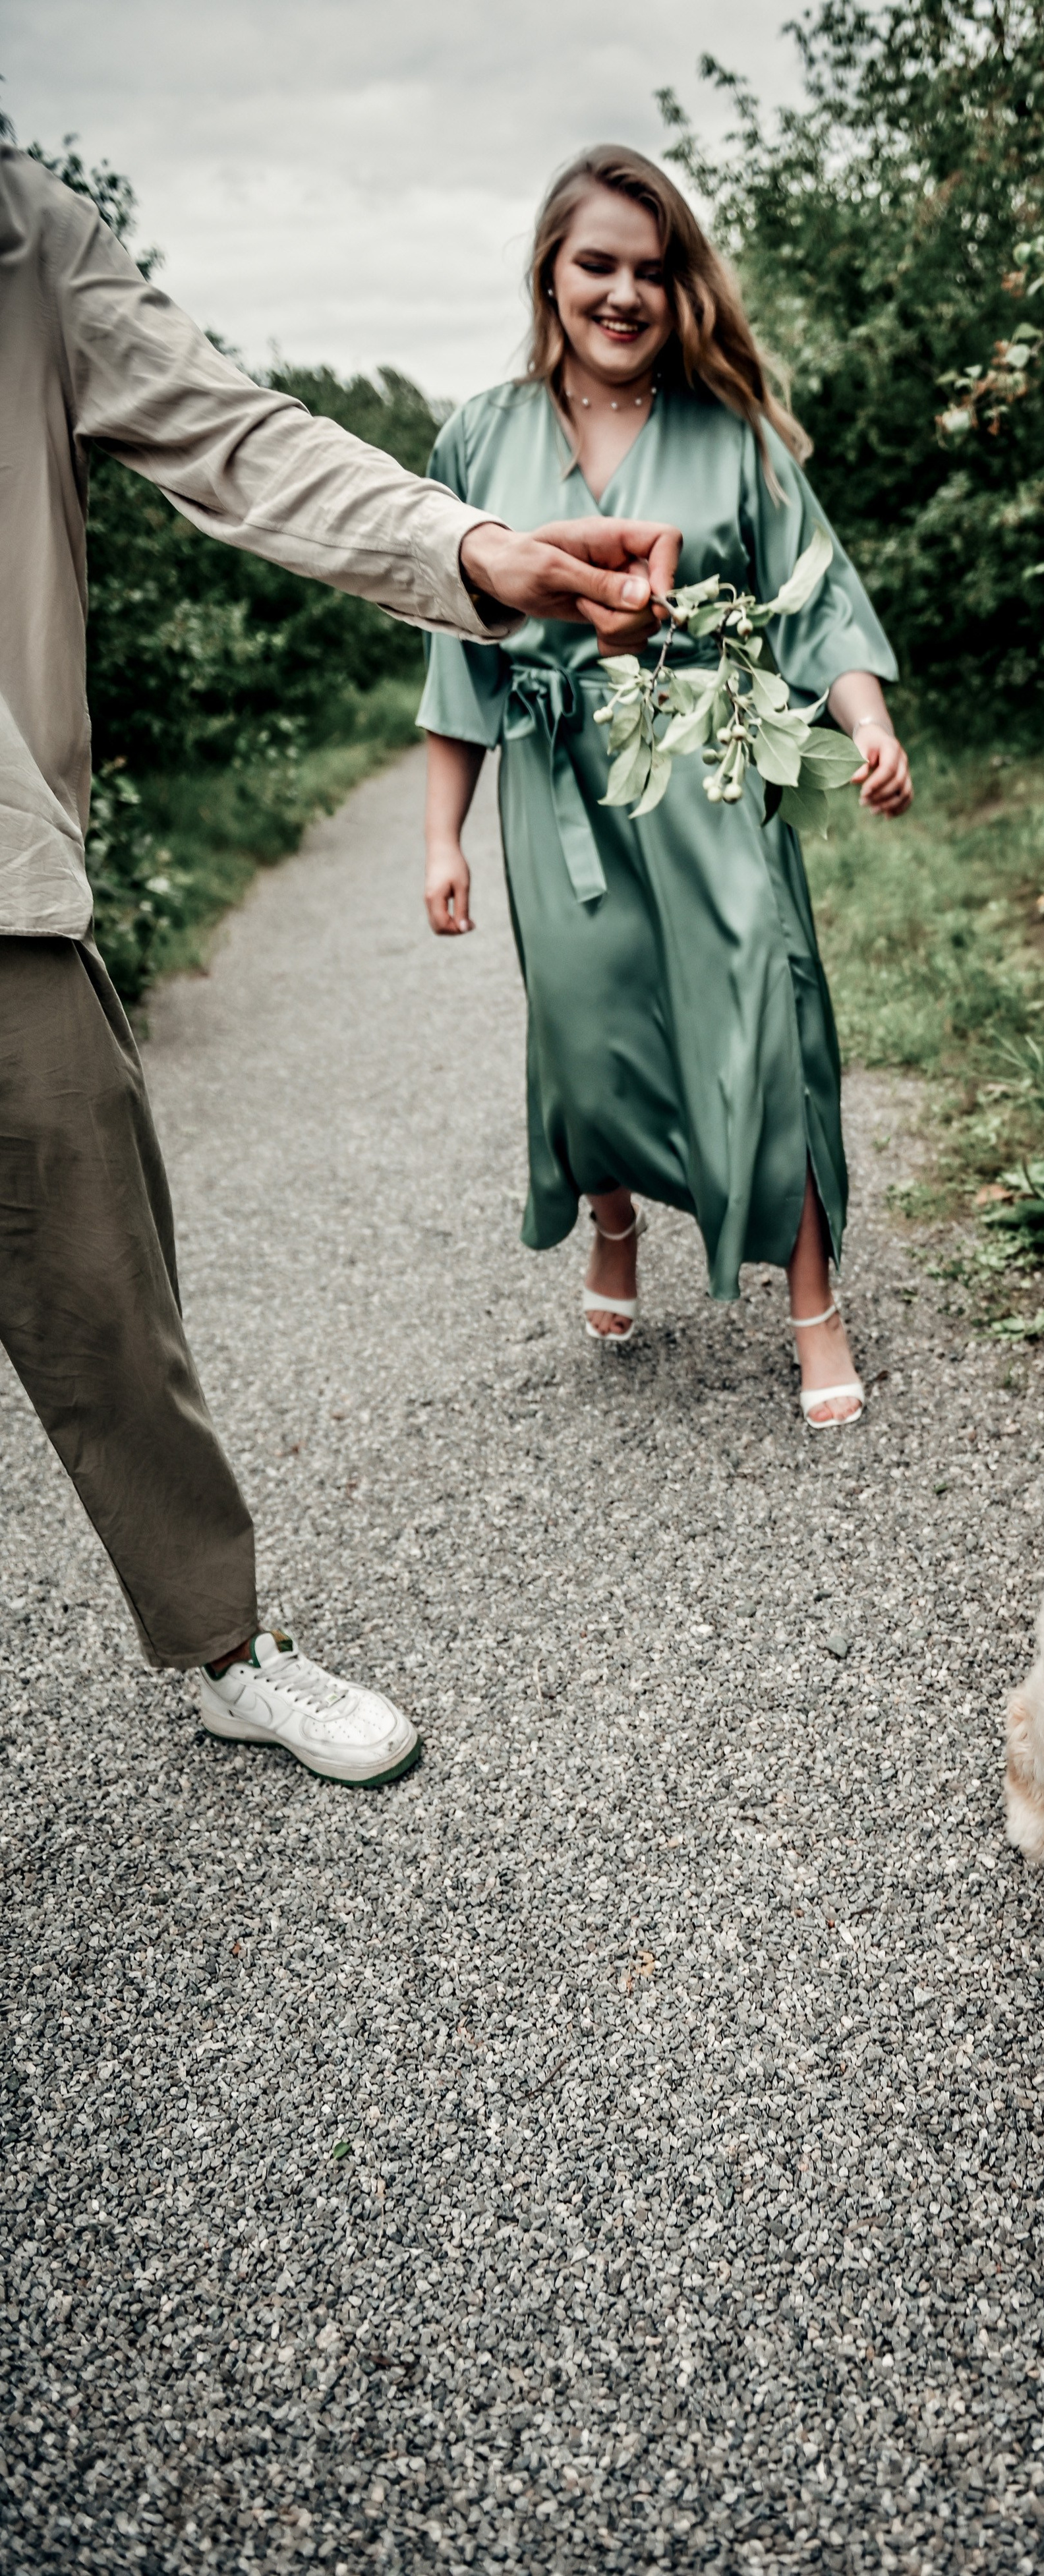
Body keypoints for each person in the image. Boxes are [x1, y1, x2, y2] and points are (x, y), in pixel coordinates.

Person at [0, 141, 683, 1782]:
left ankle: (224, 1645)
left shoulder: (23, 229)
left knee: (103, 1294)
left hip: (0, 885)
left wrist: (471, 556)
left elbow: (238, 437)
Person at [419, 146, 912, 1431]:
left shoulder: (730, 437)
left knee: (759, 1012)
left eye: (651, 268)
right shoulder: (480, 433)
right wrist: (442, 838)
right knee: (587, 1041)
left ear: (680, 284)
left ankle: (810, 1303)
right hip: (557, 784)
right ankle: (615, 1214)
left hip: (712, 763)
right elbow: (453, 646)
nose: (623, 294)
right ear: (551, 273)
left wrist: (864, 721)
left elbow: (821, 596)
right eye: (598, 265)